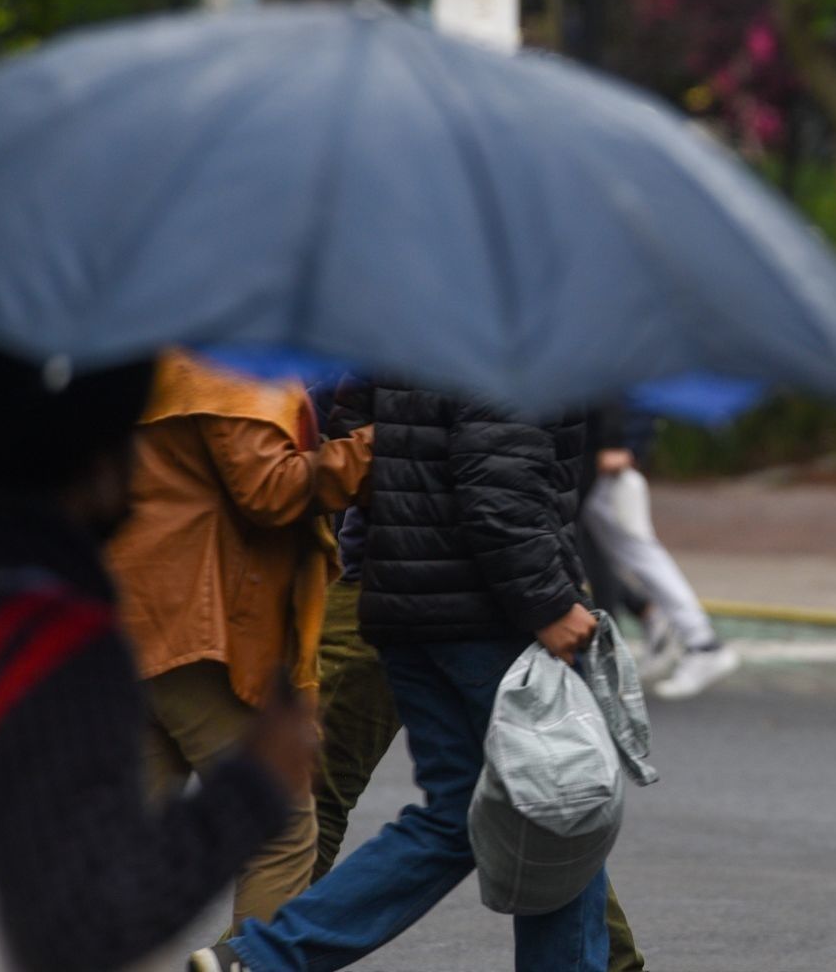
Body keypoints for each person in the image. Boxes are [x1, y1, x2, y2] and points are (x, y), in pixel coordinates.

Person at [0, 325, 317, 971]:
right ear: (96, 467)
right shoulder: (54, 651)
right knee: (288, 831)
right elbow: (88, 921)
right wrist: (256, 787)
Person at [195, 383, 613, 972]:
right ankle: (264, 957)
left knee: (465, 816)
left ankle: (257, 959)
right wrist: (548, 602)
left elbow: (354, 430)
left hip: (400, 602)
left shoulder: (411, 317)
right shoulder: (515, 335)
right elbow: (497, 493)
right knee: (557, 804)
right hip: (488, 612)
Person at [106, 350, 372, 929]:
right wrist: (373, 449)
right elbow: (270, 491)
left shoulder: (148, 348)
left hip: (141, 608)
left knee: (127, 837)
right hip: (198, 623)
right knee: (279, 824)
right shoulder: (225, 363)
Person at [581, 404, 738, 699]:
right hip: (598, 451)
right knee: (610, 550)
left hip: (602, 456)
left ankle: (701, 642)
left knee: (635, 552)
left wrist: (618, 442)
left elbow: (616, 383)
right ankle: (666, 630)